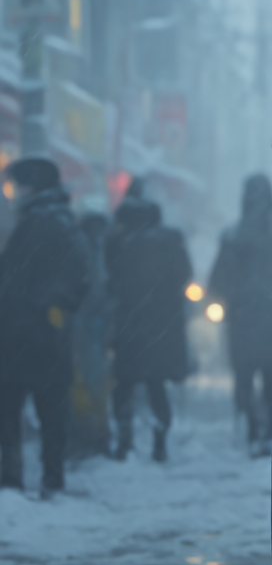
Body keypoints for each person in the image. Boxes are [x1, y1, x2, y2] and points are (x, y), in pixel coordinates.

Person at [0, 157, 90, 495]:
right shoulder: (62, 220)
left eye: (18, 185)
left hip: (23, 329)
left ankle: (12, 476)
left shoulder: (38, 222)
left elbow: (13, 274)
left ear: (32, 187)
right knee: (51, 406)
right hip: (48, 329)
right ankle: (53, 475)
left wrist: (34, 302)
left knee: (10, 404)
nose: (14, 192)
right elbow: (80, 276)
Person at [106, 178, 192, 462]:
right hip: (161, 324)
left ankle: (124, 441)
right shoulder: (170, 239)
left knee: (125, 383)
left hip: (129, 322)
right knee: (156, 384)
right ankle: (159, 443)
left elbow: (110, 280)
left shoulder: (117, 240)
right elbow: (184, 275)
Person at [208, 173, 272, 455]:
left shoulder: (233, 236)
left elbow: (218, 280)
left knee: (244, 375)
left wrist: (233, 295)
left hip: (242, 318)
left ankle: (251, 428)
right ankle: (270, 431)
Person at [70, 203, 113, 457]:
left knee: (82, 380)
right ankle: (97, 430)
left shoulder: (77, 248)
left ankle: (87, 430)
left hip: (81, 323)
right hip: (96, 324)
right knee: (96, 380)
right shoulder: (108, 250)